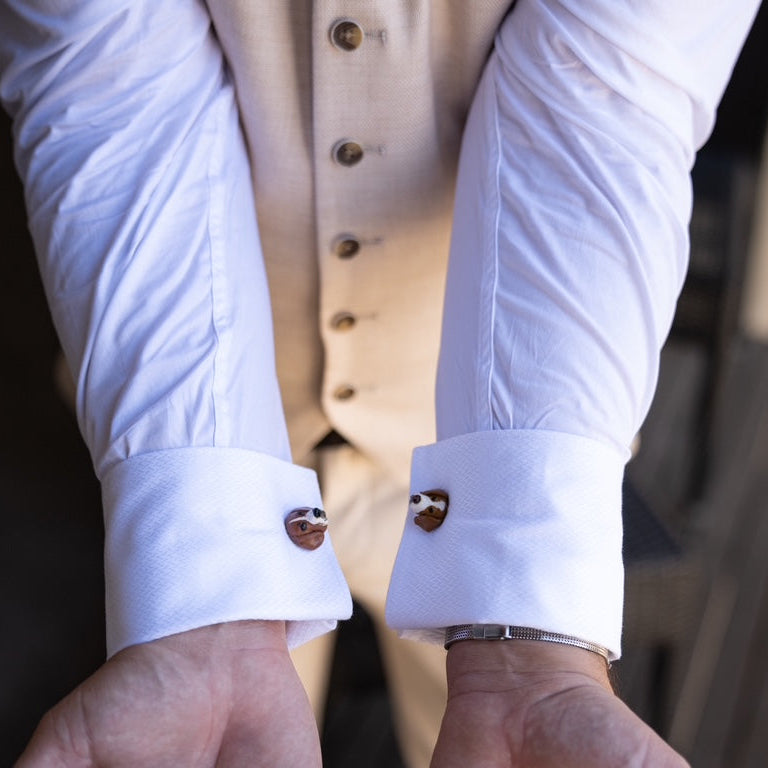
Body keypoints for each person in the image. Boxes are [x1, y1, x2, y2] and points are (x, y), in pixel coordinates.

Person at [0, 1, 759, 765]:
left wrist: (525, 620)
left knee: (491, 727)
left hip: (476, 430)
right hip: (191, 443)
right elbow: (110, 82)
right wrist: (208, 592)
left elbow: (604, 94)